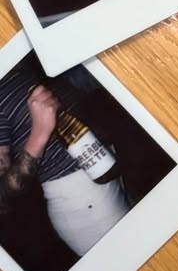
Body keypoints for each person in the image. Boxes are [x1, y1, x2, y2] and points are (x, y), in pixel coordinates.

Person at [0, 64, 129, 257]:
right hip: (83, 203)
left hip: (104, 169)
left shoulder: (11, 63)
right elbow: (4, 196)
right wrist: (40, 132)